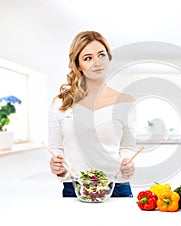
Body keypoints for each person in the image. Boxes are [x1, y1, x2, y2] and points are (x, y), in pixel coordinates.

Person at [48, 31, 137, 198]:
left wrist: (128, 163)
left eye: (101, 55)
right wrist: (58, 167)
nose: (97, 62)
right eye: (88, 58)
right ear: (78, 64)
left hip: (116, 188)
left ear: (109, 58)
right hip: (75, 188)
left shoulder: (125, 103)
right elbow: (56, 148)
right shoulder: (60, 103)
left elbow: (127, 147)